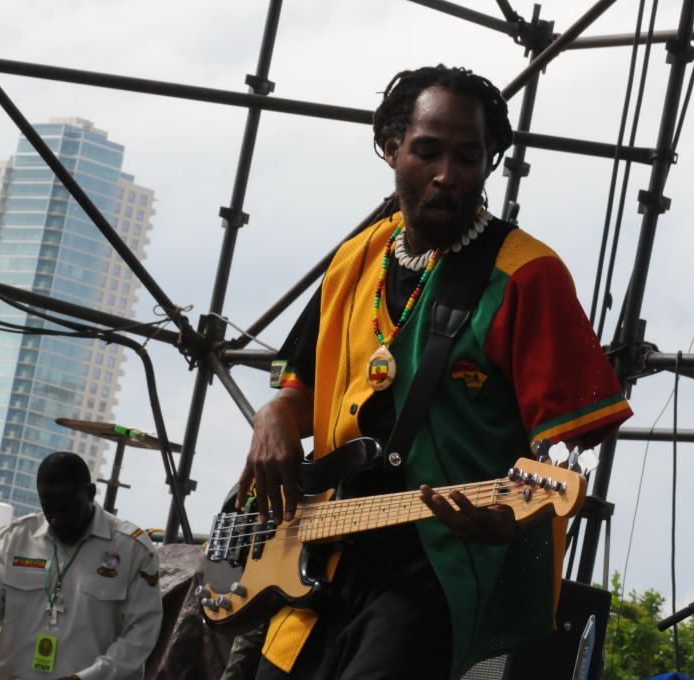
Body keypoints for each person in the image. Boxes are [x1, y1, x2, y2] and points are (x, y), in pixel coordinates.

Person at [236, 65, 634, 679]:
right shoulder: (355, 258)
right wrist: (273, 416)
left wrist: (520, 514)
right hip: (320, 548)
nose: (448, 174)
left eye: (469, 157)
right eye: (428, 151)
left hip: (435, 561)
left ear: (490, 162)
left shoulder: (527, 273)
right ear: (391, 149)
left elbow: (566, 449)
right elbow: (298, 392)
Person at [0, 451, 163, 680]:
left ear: (90, 493)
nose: (57, 519)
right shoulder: (15, 539)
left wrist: (86, 678)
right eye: (49, 508)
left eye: (67, 509)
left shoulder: (132, 549)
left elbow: (141, 633)